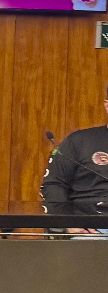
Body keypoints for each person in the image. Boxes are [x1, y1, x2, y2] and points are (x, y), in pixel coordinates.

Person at [41, 83, 108, 217]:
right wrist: (67, 224)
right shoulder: (78, 141)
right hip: (87, 223)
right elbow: (54, 185)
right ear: (107, 106)